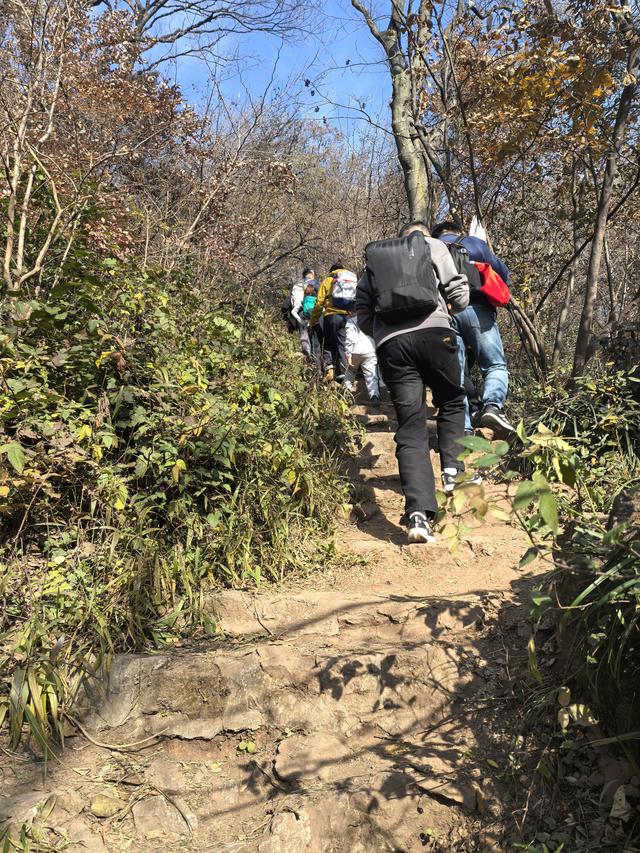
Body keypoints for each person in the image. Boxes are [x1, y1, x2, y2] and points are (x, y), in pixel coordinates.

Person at [356, 222, 478, 545]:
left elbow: (363, 313)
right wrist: (448, 310)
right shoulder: (433, 247)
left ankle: (418, 517)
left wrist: (385, 332)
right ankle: (453, 470)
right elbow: (460, 294)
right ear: (423, 234)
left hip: (393, 347)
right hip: (437, 335)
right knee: (451, 400)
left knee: (410, 427)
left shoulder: (377, 262)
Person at [431, 221, 514, 435]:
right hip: (479, 310)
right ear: (458, 231)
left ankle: (463, 426)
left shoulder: (431, 247)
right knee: (494, 365)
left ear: (437, 234)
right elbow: (503, 275)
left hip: (447, 314)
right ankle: (492, 407)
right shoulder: (474, 243)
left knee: (457, 373)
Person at [310, 262, 356, 383]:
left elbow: (319, 302)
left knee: (329, 345)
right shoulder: (348, 280)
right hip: (347, 317)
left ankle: (329, 370)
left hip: (331, 316)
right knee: (342, 345)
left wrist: (314, 320)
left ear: (331, 271)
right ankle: (342, 375)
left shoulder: (328, 280)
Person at [343, 312, 380, 405]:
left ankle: (347, 394)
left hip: (356, 350)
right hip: (370, 349)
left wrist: (348, 354)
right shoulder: (371, 319)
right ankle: (374, 396)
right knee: (371, 375)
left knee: (350, 372)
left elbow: (350, 339)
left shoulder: (351, 321)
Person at [290, 267, 317, 360]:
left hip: (300, 314)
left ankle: (309, 360)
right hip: (314, 314)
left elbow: (295, 304)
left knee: (305, 338)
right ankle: (314, 360)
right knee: (315, 339)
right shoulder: (315, 285)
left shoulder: (297, 286)